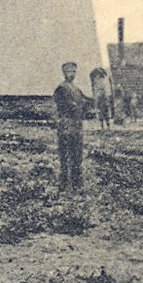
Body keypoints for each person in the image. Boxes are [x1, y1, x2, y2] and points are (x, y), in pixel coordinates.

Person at [53, 62, 88, 191]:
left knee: (77, 156)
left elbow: (84, 103)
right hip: (66, 126)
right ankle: (64, 184)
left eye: (74, 71)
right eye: (69, 71)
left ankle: (77, 183)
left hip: (77, 127)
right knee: (66, 156)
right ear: (64, 72)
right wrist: (76, 106)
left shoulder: (77, 90)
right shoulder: (61, 89)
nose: (71, 74)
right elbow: (64, 106)